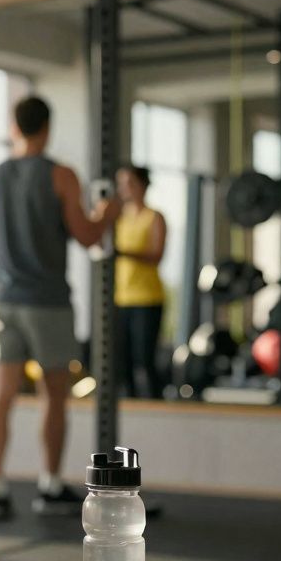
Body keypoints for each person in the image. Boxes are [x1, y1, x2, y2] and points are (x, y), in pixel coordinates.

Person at [0, 96, 120, 522]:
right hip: (48, 303)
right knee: (53, 398)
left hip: (3, 302)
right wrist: (107, 213)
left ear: (14, 126)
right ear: (47, 127)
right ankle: (49, 485)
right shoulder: (61, 175)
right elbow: (88, 236)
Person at [114, 165, 167, 399]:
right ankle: (131, 407)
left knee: (144, 360)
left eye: (130, 183)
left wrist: (124, 253)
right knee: (121, 362)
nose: (125, 189)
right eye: (121, 184)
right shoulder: (118, 217)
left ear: (142, 185)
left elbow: (156, 255)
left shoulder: (154, 217)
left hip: (147, 298)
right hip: (120, 298)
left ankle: (155, 405)